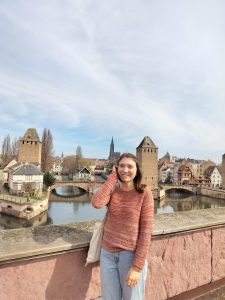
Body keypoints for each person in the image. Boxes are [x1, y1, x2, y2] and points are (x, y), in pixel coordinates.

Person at [91, 153, 154, 300]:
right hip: (107, 254)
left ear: (137, 170)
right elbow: (96, 203)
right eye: (122, 166)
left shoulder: (144, 193)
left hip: (130, 256)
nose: (125, 170)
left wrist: (137, 267)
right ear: (117, 168)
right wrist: (113, 178)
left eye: (130, 166)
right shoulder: (113, 190)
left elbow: (146, 232)